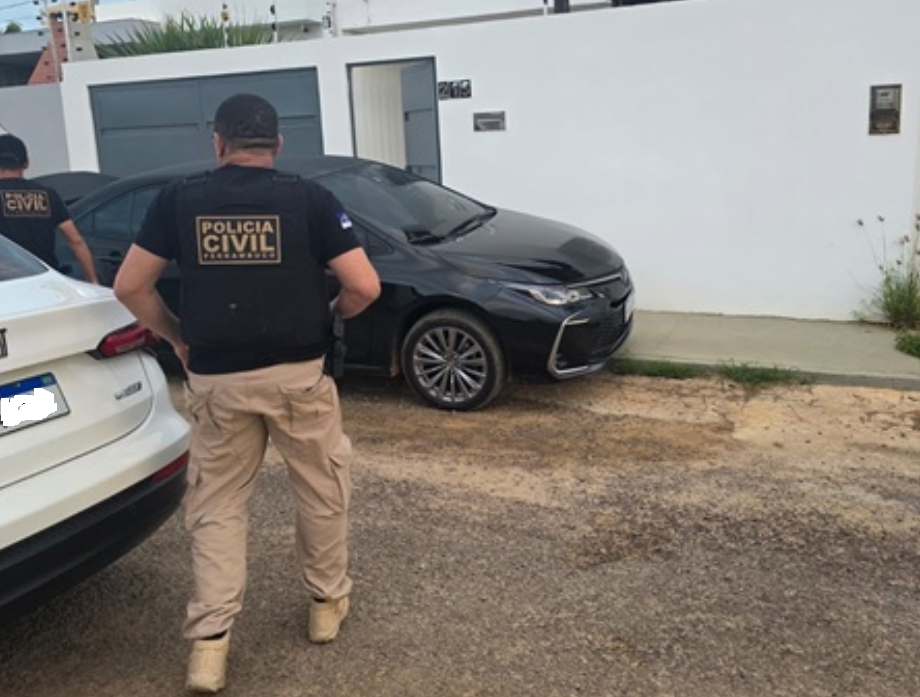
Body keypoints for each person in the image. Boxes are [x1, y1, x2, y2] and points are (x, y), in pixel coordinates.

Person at [113, 93, 381, 694]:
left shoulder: (178, 200)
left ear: (218, 143)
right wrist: (329, 315)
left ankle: (209, 646)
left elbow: (130, 286)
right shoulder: (310, 199)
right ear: (277, 144)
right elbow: (364, 286)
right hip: (299, 377)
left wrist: (177, 337)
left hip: (217, 380)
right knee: (321, 490)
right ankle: (325, 606)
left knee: (218, 505)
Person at [0, 134, 99, 283]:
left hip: (9, 281)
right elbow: (76, 240)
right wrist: (92, 280)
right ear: (26, 163)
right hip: (47, 280)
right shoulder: (47, 194)